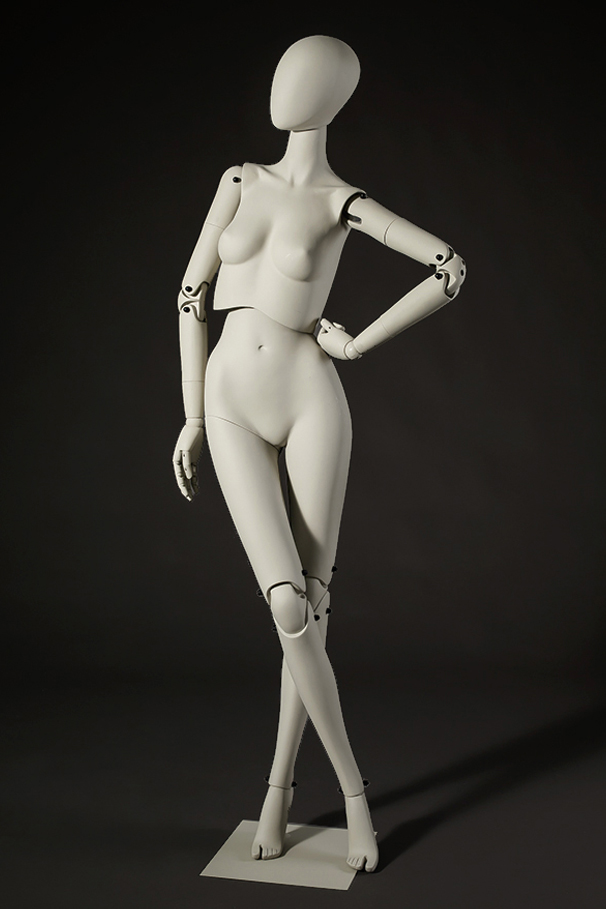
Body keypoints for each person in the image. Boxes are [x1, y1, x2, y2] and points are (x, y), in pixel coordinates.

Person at [172, 35, 466, 873]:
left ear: (334, 98)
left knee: (311, 607)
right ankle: (346, 788)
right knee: (287, 605)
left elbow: (449, 267)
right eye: (282, 70)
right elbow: (191, 295)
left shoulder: (345, 203)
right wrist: (191, 416)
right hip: (230, 398)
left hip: (311, 401)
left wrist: (358, 342)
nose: (283, 87)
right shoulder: (239, 181)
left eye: (303, 76)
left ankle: (287, 788)